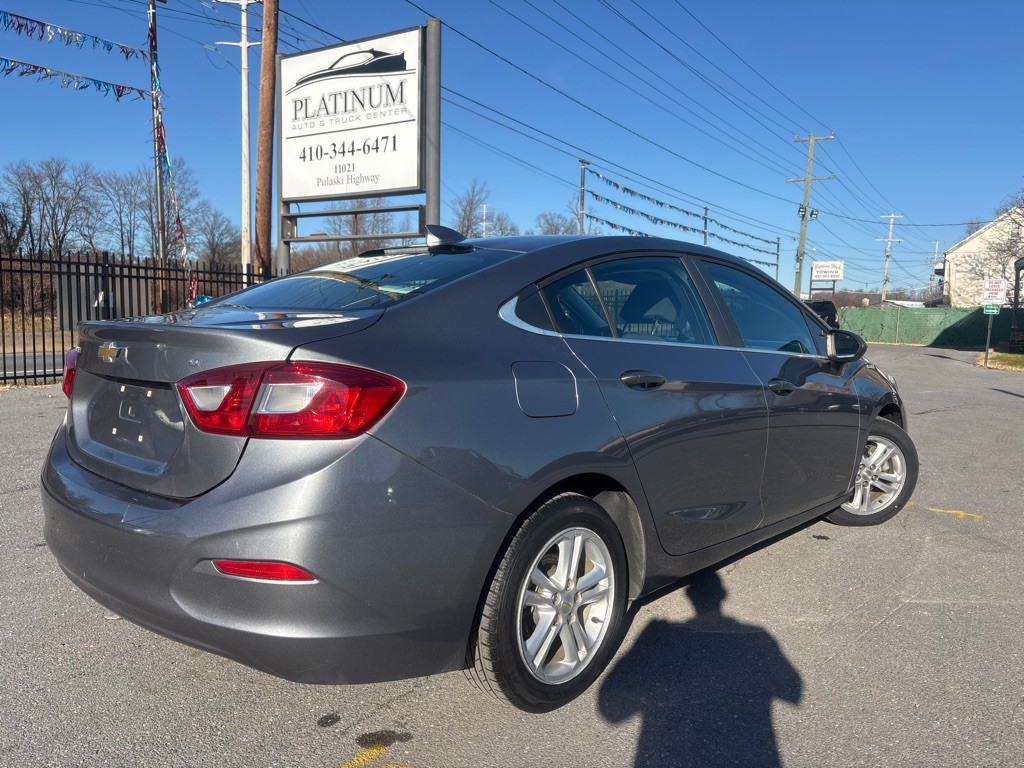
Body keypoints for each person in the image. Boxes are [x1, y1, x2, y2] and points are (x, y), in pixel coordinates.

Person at [598, 569, 802, 768]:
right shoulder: (759, 637)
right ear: (723, 595)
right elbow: (792, 689)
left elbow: (612, 713)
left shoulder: (659, 632)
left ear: (689, 597)